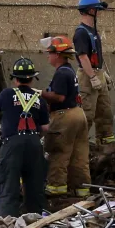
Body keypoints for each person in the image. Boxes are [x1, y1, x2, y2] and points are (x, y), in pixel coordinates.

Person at [0, 57, 51, 217]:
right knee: (35, 187)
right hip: (34, 144)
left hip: (12, 143)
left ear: (14, 79)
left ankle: (8, 223)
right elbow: (46, 127)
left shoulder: (6, 94)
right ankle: (35, 221)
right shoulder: (39, 99)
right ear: (32, 79)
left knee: (8, 186)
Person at [40, 37, 89, 198]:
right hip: (78, 114)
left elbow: (59, 97)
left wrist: (40, 94)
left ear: (58, 55)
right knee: (79, 155)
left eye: (50, 53)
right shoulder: (69, 70)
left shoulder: (61, 73)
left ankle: (56, 187)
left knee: (59, 151)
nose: (48, 56)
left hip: (64, 116)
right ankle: (81, 188)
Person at [73, 0, 115, 145]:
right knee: (87, 114)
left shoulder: (93, 32)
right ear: (91, 10)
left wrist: (101, 73)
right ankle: (80, 147)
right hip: (87, 77)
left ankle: (106, 144)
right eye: (97, 9)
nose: (99, 13)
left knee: (105, 113)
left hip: (97, 73)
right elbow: (83, 57)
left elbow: (94, 56)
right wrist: (92, 76)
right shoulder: (81, 33)